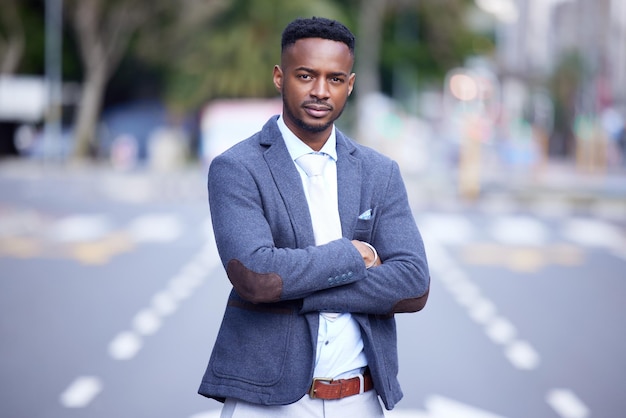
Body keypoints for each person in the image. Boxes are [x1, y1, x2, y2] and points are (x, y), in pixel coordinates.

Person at [198, 16, 430, 417]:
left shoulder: (380, 172)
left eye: (335, 79)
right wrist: (354, 257)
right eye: (306, 75)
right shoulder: (237, 167)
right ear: (279, 77)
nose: (321, 91)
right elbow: (256, 275)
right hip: (265, 401)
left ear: (350, 85)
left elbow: (413, 285)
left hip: (360, 398)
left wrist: (294, 289)